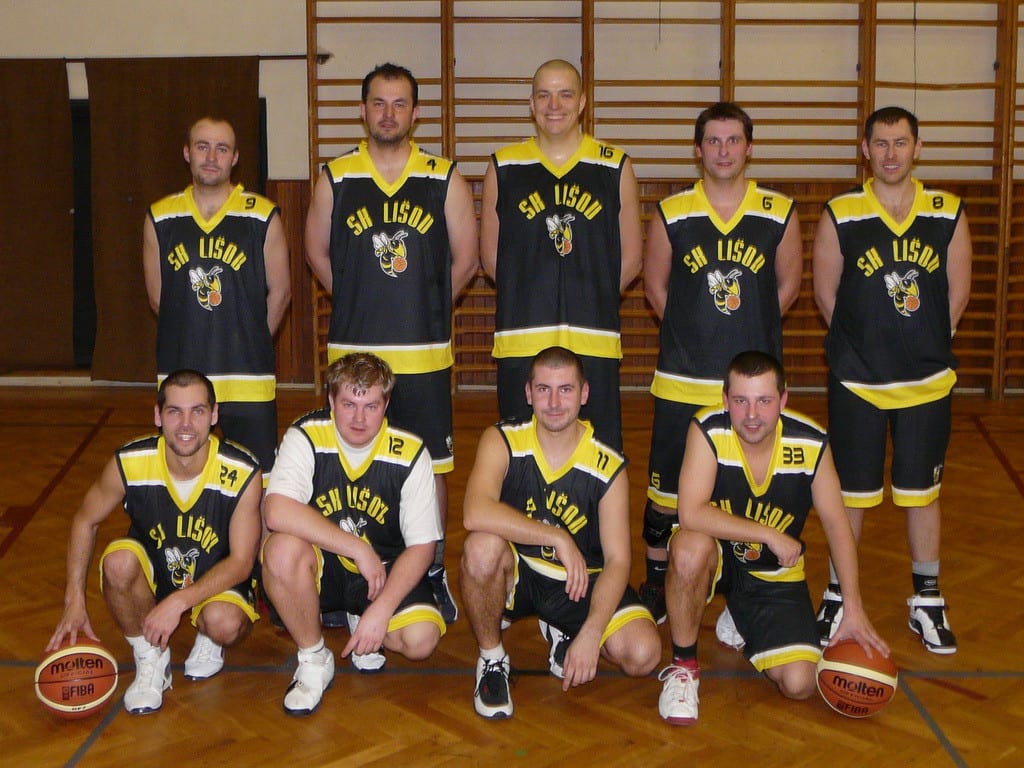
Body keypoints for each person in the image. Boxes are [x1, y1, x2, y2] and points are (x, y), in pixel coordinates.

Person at [305, 63, 479, 625]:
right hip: (353, 358)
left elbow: (466, 261)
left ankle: (432, 572)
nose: (388, 113)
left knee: (433, 468)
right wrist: (360, 297)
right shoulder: (335, 177)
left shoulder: (443, 177)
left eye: (399, 103)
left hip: (423, 357)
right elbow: (316, 254)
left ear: (415, 113)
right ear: (362, 110)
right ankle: (340, 576)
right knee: (342, 470)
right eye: (378, 103)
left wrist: (424, 306)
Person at [812, 106, 972, 655]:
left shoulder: (946, 211)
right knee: (851, 495)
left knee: (922, 493)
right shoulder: (842, 212)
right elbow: (826, 294)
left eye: (900, 142)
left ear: (917, 148)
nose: (890, 153)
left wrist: (922, 343)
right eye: (880, 143)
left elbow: (958, 291)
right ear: (865, 150)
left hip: (926, 382)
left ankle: (927, 598)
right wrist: (864, 347)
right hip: (858, 381)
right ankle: (839, 593)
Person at [638, 102, 804, 626]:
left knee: (742, 494)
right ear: (698, 149)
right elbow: (656, 287)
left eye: (734, 140)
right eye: (713, 140)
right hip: (682, 380)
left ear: (749, 148)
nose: (724, 150)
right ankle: (657, 581)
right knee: (666, 495)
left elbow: (788, 287)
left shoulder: (778, 211)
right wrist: (694, 331)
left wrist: (747, 331)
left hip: (748, 392)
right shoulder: (673, 212)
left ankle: (741, 589)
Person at [657, 351, 888, 725]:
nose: (751, 414)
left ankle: (742, 616)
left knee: (800, 683)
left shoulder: (811, 443)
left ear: (783, 399)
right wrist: (769, 534)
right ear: (725, 400)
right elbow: (691, 513)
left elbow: (838, 527)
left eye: (764, 401)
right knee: (687, 548)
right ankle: (683, 667)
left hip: (772, 574)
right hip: (718, 557)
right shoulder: (708, 429)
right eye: (740, 401)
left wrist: (853, 607)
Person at [461, 346, 661, 720]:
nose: (554, 403)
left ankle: (563, 630)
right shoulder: (502, 440)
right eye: (544, 389)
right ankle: (491, 659)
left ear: (584, 394)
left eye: (565, 389)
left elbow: (619, 561)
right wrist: (556, 537)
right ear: (528, 393)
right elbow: (474, 512)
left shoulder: (608, 466)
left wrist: (592, 633)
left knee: (642, 655)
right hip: (519, 574)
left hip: (577, 584)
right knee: (480, 547)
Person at [47, 370, 263, 715]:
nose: (186, 424)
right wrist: (74, 598)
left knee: (223, 623)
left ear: (214, 415)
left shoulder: (241, 471)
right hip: (155, 570)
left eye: (197, 411)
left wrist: (180, 602)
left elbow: (241, 562)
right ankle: (150, 657)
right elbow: (84, 520)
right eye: (174, 411)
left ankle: (208, 636)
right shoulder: (130, 462)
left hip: (218, 576)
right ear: (158, 415)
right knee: (117, 562)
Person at [261, 353, 445, 716]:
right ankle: (314, 657)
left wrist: (382, 609)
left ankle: (363, 615)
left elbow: (423, 547)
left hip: (383, 570)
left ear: (386, 404)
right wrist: (357, 549)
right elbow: (276, 510)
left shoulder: (410, 452)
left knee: (421, 640)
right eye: (348, 404)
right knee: (280, 550)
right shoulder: (306, 435)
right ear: (331, 400)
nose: (359, 418)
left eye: (370, 406)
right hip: (324, 565)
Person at [480, 59, 643, 453]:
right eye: (544, 95)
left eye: (565, 94)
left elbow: (631, 258)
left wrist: (593, 297)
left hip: (594, 338)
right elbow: (491, 258)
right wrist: (528, 297)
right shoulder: (504, 166)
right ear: (531, 103)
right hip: (522, 338)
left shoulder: (614, 166)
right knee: (521, 456)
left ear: (582, 102)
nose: (554, 105)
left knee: (598, 457)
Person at [143, 116, 291, 479]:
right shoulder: (160, 217)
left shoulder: (262, 215)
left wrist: (251, 340)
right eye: (202, 147)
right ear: (187, 153)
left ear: (235, 157)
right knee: (183, 479)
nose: (211, 157)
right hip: (183, 381)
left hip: (248, 380)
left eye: (221, 149)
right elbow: (159, 299)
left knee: (257, 480)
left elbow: (281, 292)